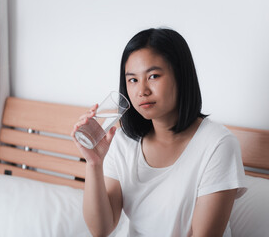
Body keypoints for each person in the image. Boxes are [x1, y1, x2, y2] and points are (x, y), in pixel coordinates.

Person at [71, 28, 246, 237]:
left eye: (153, 76)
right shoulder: (122, 141)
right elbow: (101, 229)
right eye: (133, 80)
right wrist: (94, 164)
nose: (142, 91)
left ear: (181, 76)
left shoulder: (217, 145)